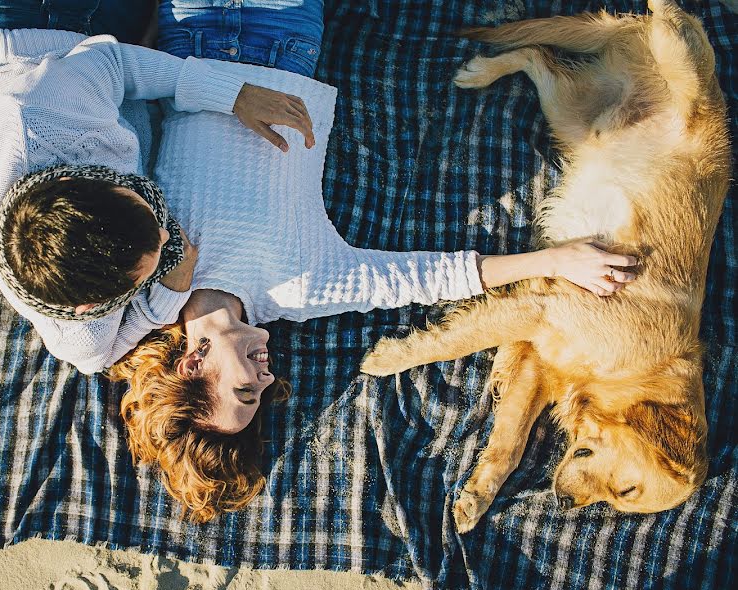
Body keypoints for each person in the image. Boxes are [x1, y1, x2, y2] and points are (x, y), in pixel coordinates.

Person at [108, 0, 639, 523]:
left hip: (187, 38)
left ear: (192, 365)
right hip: (282, 33)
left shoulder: (140, 285)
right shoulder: (299, 291)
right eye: (261, 396)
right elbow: (426, 279)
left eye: (245, 389)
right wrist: (555, 260)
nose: (266, 379)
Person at [0, 0, 316, 374]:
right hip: (90, 59)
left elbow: (116, 64)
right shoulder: (78, 323)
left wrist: (234, 95)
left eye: (140, 204)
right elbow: (93, 359)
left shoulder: (44, 111)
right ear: (92, 307)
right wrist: (167, 294)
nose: (166, 233)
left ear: (79, 180)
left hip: (26, 25)